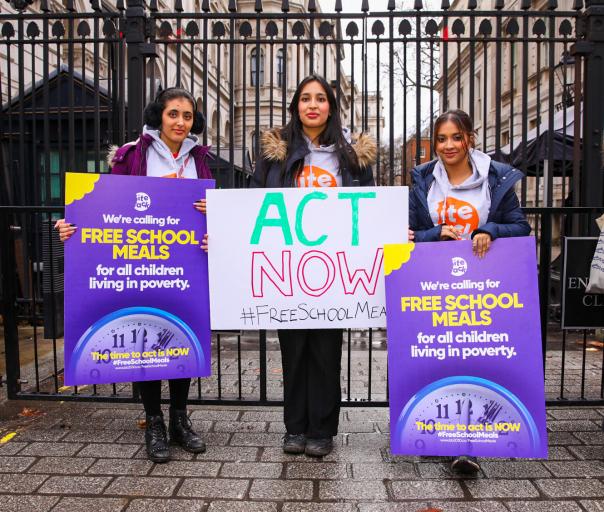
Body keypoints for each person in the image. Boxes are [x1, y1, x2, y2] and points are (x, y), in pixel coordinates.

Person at [55, 87, 212, 463]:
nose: (180, 122)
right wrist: (71, 224)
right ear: (159, 115)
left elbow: (212, 211)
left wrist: (214, 213)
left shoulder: (199, 159)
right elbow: (104, 204)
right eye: (173, 113)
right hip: (140, 262)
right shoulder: (132, 155)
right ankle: (154, 421)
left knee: (179, 335)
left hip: (184, 263)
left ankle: (179, 418)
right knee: (145, 342)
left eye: (187, 116)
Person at [250, 74, 377, 457]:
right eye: (305, 98)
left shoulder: (353, 156)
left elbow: (368, 207)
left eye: (321, 98)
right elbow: (255, 203)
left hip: (334, 271)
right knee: (294, 350)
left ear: (331, 107)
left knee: (326, 350)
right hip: (288, 270)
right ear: (296, 107)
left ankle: (322, 430)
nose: (313, 105)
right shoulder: (275, 154)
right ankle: (295, 428)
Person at [409, 109, 531, 474]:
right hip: (435, 284)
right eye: (442, 139)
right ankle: (441, 435)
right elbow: (411, 232)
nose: (448, 145)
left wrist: (490, 229)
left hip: (483, 287)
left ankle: (468, 444)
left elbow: (520, 226)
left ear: (470, 139)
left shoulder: (495, 178)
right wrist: (437, 234)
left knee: (472, 359)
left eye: (456, 137)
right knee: (441, 358)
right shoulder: (423, 180)